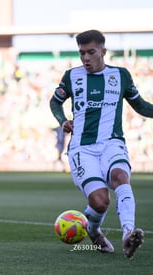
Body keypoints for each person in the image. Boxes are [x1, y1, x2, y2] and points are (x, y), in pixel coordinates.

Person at [49, 29, 151, 259]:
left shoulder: (121, 75)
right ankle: (94, 231)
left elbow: (141, 106)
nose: (85, 58)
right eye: (81, 53)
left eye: (91, 52)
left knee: (120, 177)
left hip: (112, 143)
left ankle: (128, 233)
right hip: (81, 148)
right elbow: (55, 102)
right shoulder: (71, 76)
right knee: (100, 201)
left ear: (103, 52)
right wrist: (63, 120)